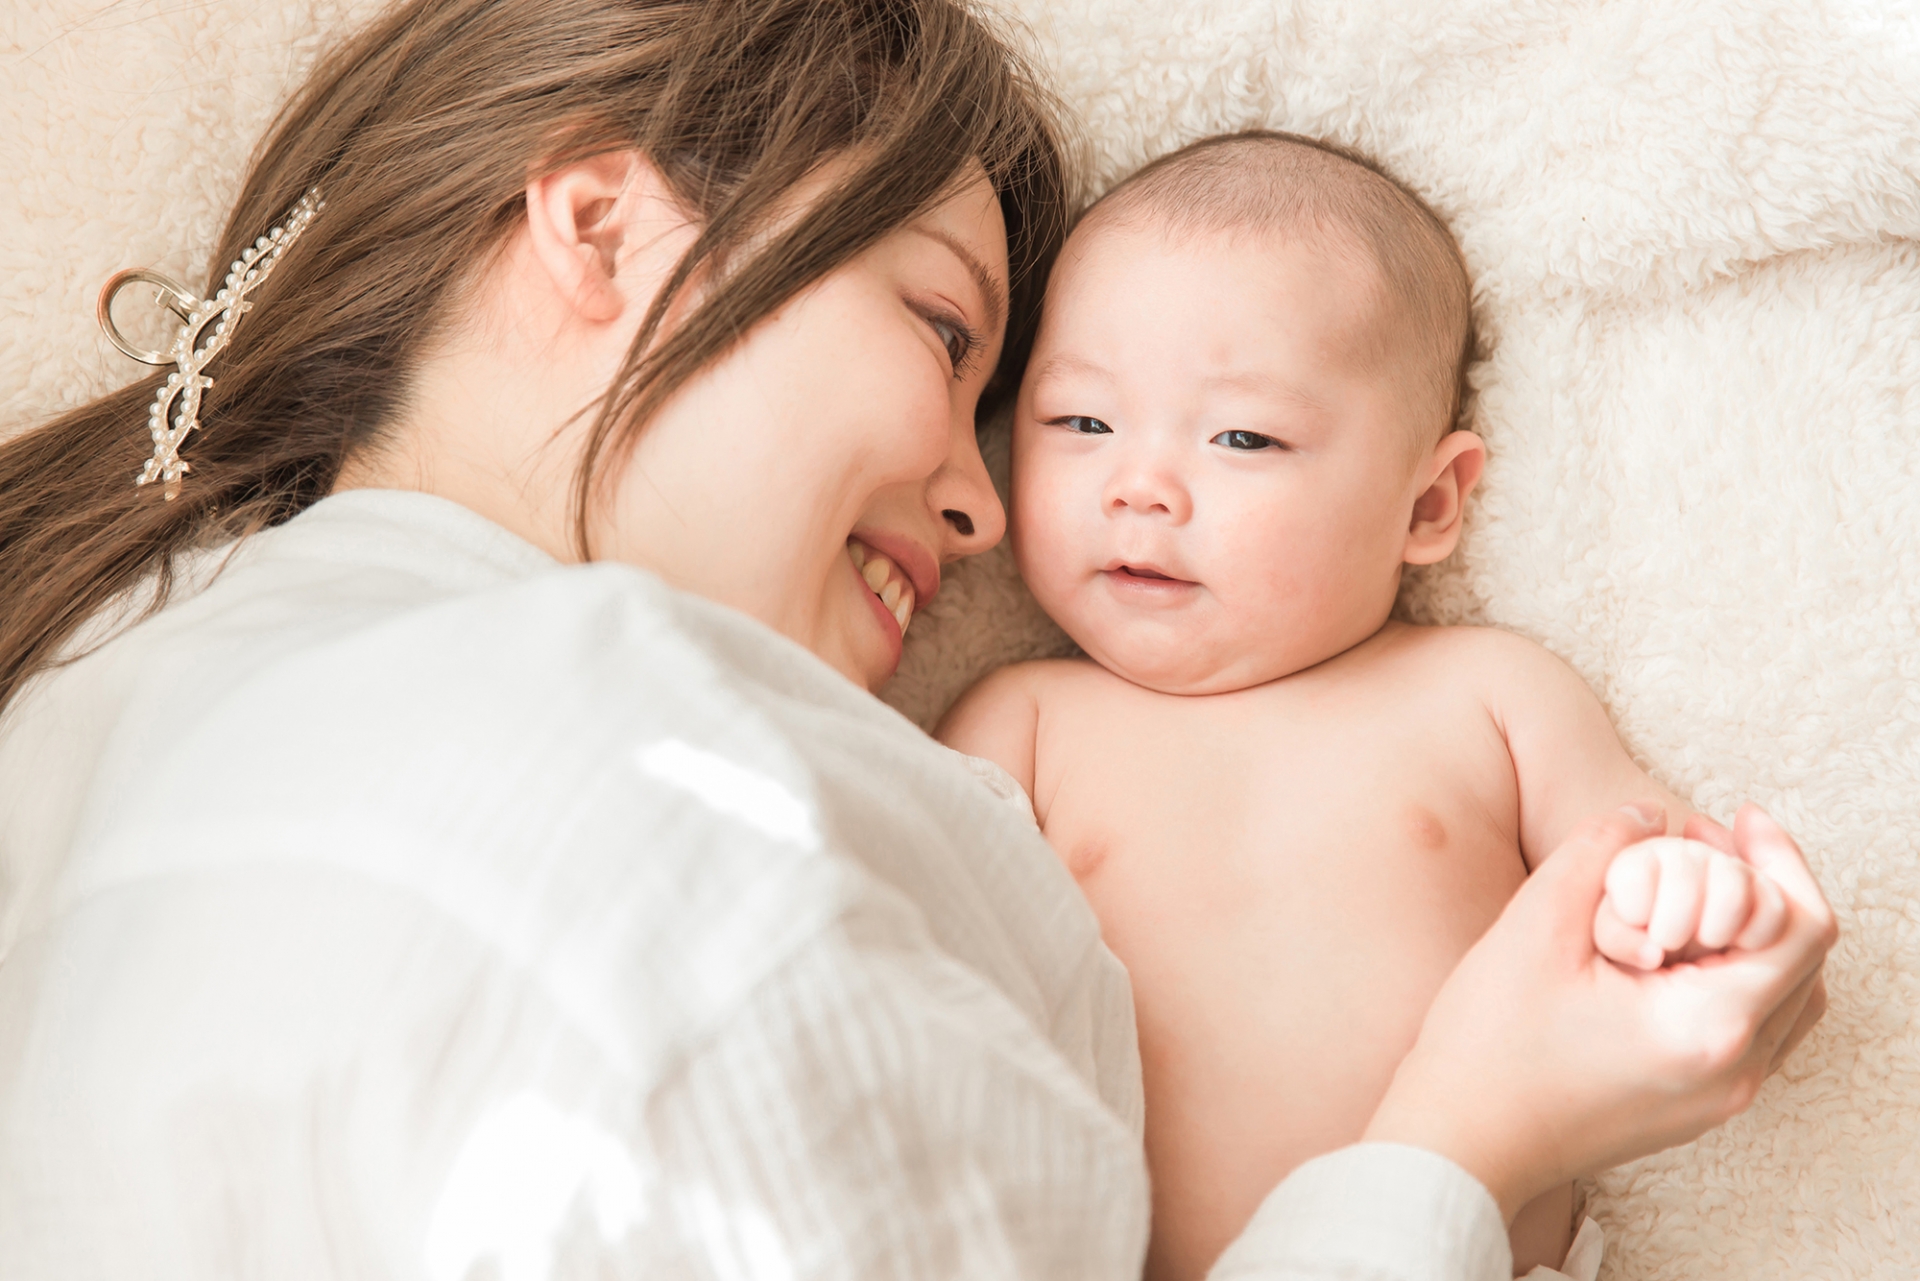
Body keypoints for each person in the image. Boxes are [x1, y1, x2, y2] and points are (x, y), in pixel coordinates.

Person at [0, 1, 1834, 1277]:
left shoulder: (109, 686)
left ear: (1436, 498)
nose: (987, 509)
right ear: (600, 227)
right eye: (954, 339)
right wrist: (1459, 1145)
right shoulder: (632, 768)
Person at [936, 130, 1800, 1280]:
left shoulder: (1489, 696)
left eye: (1243, 436)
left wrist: (1685, 895)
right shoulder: (1026, 726)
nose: (1138, 486)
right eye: (1082, 422)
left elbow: (1641, 861)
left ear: (1429, 505)